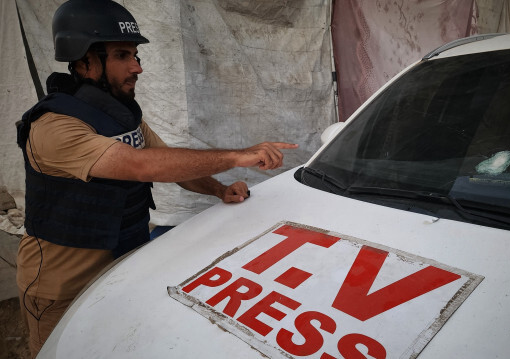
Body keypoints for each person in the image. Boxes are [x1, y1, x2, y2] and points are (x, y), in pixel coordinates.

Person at [14, 0, 298, 356]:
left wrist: (220, 190)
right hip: (61, 286)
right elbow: (142, 166)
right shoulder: (55, 126)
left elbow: (170, 165)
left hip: (123, 264)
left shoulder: (118, 115)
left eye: (136, 56)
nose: (137, 67)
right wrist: (237, 155)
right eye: (122, 55)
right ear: (85, 62)